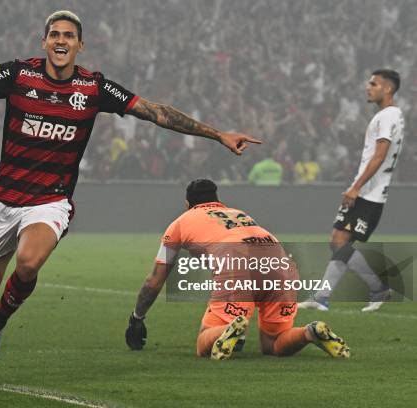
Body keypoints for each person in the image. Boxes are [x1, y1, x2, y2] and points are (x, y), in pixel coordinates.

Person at [0, 10, 261, 383]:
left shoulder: (94, 87)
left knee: (28, 263)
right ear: (44, 41)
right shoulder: (17, 75)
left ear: (80, 45)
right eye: (54, 34)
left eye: (69, 35)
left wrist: (217, 133)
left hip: (51, 199)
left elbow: (155, 112)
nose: (61, 40)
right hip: (3, 199)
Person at [125, 179, 350, 360]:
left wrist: (137, 318)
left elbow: (154, 280)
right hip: (281, 265)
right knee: (273, 344)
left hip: (236, 266)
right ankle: (310, 332)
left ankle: (228, 330)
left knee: (204, 342)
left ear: (187, 204)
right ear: (218, 201)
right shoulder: (238, 214)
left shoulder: (179, 224)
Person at [298, 69, 404, 313]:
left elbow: (380, 155)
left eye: (373, 84)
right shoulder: (389, 115)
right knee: (339, 242)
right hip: (366, 191)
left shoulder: (387, 116)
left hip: (369, 194)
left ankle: (378, 289)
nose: (368, 87)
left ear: (387, 89)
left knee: (338, 242)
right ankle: (322, 296)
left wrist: (356, 187)